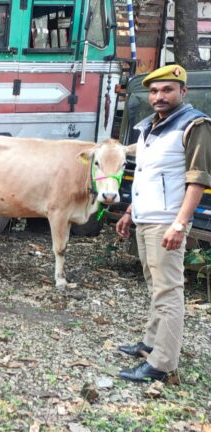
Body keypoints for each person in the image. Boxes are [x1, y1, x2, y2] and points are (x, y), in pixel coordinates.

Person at [115, 64, 211, 382]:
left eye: (167, 90)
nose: (159, 96)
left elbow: (197, 180)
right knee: (155, 286)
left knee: (168, 291)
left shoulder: (194, 125)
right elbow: (148, 176)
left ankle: (163, 364)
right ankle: (150, 344)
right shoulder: (150, 127)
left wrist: (180, 224)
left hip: (167, 222)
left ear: (183, 91)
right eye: (154, 91)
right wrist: (130, 211)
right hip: (146, 218)